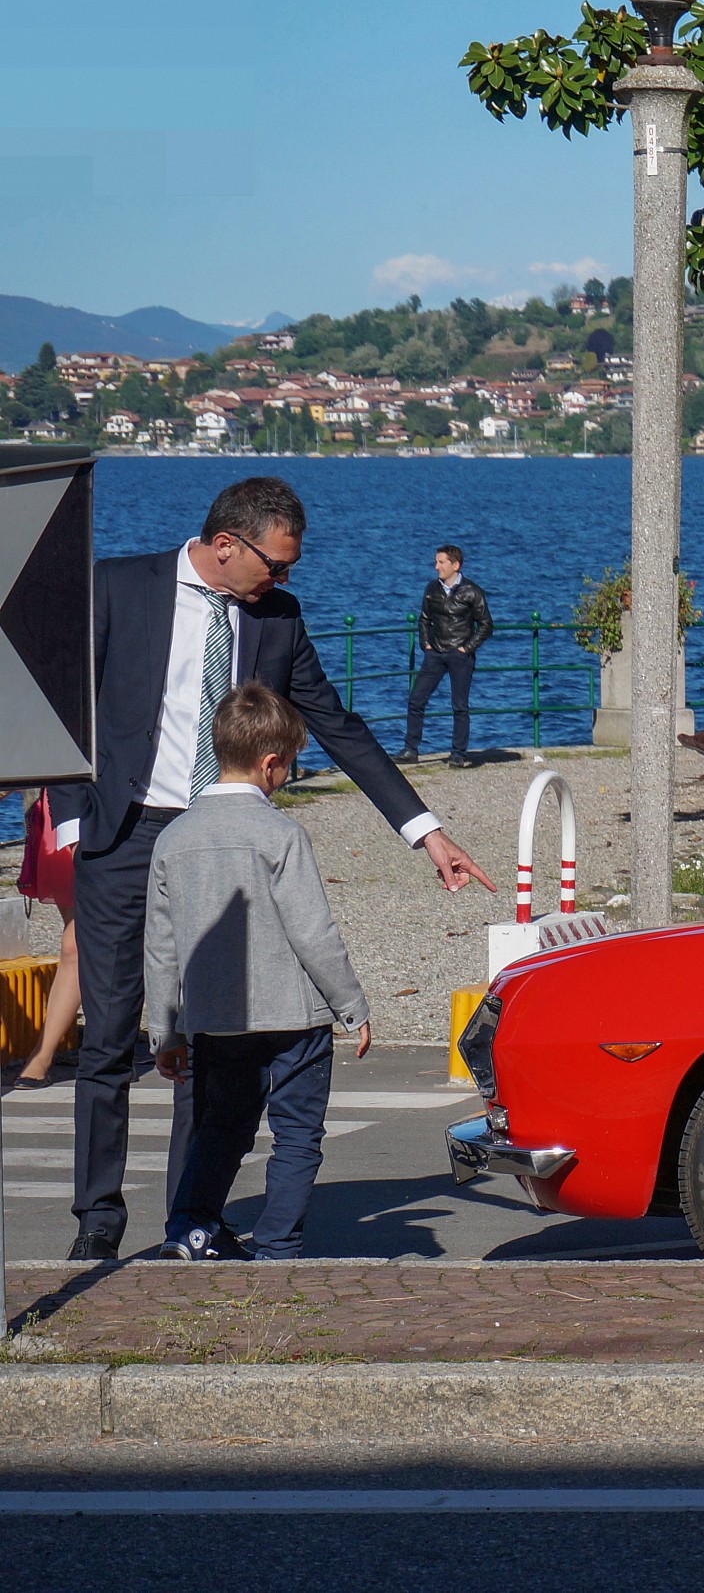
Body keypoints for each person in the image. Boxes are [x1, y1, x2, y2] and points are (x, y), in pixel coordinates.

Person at [47, 476, 492, 1263]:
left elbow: (337, 724)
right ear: (227, 545)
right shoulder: (114, 588)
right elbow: (59, 698)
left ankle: (192, 1219)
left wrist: (424, 831)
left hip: (221, 840)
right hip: (122, 835)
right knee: (112, 1034)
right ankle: (98, 1218)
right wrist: (75, 824)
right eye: (275, 566)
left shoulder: (277, 620)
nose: (283, 582)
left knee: (207, 1043)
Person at [146, 685, 369, 1261]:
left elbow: (161, 947)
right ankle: (276, 1245)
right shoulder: (282, 835)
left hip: (216, 1019)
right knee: (296, 1135)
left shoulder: (173, 839)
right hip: (294, 1015)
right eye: (288, 765)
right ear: (272, 764)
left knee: (221, 1127)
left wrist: (164, 1032)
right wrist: (352, 1007)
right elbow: (312, 933)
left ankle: (190, 1229)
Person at [7, 788, 79, 1091]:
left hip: (96, 806)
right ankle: (113, 1043)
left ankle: (43, 1056)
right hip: (61, 808)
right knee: (79, 942)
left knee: (77, 943)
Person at [399, 543, 492, 768]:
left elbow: (486, 624)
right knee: (416, 699)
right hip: (435, 653)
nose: (436, 567)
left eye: (441, 562)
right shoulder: (432, 589)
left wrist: (466, 648)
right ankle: (411, 749)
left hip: (460, 655)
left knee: (459, 705)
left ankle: (458, 753)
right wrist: (426, 644)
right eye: (436, 562)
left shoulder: (471, 591)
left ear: (455, 565)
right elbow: (424, 618)